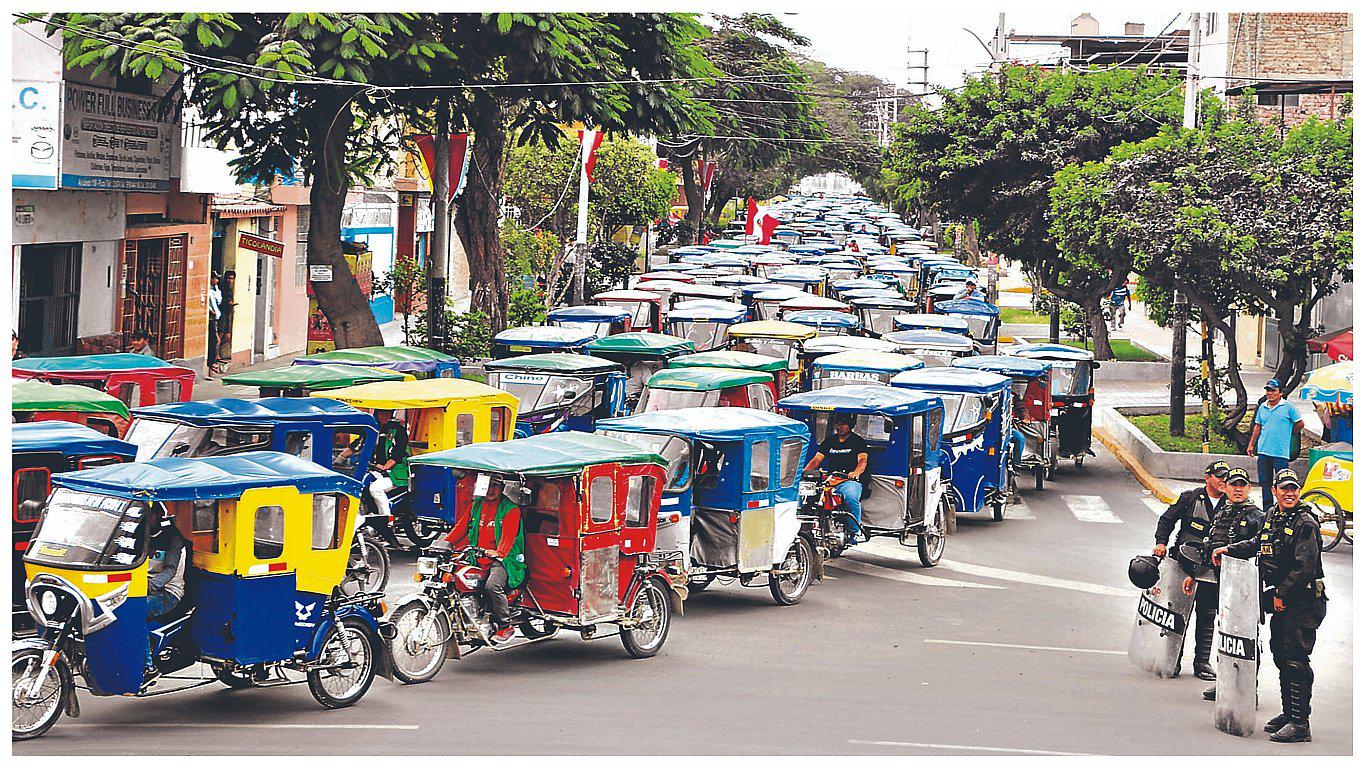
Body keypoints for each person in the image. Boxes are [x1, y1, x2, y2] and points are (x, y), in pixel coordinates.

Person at [1214, 469, 1327, 743]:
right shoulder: (1273, 517)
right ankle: (1289, 713)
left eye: (1294, 490)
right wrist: (1229, 549)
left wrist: (1282, 593)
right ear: (1274, 491)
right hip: (1281, 600)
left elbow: (1305, 566)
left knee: (1295, 658)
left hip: (1302, 601)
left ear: (1299, 493)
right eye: (1284, 489)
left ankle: (1300, 723)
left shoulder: (1305, 523)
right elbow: (1257, 543)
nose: (1289, 494)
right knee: (1280, 654)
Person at [1153, 459, 1230, 679]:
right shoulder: (1190, 498)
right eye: (1220, 476)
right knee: (1177, 613)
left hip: (1210, 570)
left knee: (1207, 614)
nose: (1224, 481)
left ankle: (1202, 663)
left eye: (1226, 477)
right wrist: (1161, 542)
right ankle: (1172, 659)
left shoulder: (1230, 504)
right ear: (1208, 478)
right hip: (1183, 565)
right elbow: (1167, 519)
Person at [1199, 467, 1264, 701]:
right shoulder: (1222, 513)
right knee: (1226, 634)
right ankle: (1225, 682)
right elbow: (1210, 544)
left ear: (1248, 488)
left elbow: (1260, 548)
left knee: (1247, 638)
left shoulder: (1256, 516)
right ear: (1225, 488)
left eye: (1242, 485)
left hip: (1244, 586)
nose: (1238, 489)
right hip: (1221, 582)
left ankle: (1248, 690)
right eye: (1233, 485)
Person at [445, 475, 525, 645]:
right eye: (486, 485)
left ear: (502, 487)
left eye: (495, 485)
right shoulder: (476, 506)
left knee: (492, 586)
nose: (490, 489)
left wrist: (498, 552)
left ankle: (506, 626)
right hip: (478, 557)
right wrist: (442, 545)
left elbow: (508, 538)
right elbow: (460, 530)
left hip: (504, 560)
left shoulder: (511, 509)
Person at [803, 413, 870, 546]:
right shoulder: (830, 441)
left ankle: (854, 532)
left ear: (850, 426)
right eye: (837, 423)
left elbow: (863, 461)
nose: (839, 426)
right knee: (808, 495)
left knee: (850, 497)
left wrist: (856, 472)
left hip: (849, 481)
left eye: (843, 424)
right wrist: (804, 472)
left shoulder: (858, 442)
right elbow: (817, 459)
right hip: (831, 479)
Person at [1249, 379, 1304, 510]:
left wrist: (1290, 433)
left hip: (1280, 453)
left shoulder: (1288, 407)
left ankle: (1283, 508)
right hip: (1263, 451)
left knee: (1283, 484)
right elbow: (1257, 426)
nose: (1270, 393)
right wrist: (1251, 444)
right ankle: (1267, 510)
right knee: (1265, 483)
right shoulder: (1263, 406)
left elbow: (1300, 423)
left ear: (1280, 393)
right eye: (1268, 390)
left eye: (1273, 390)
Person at [144, 508, 187, 675]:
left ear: (158, 516)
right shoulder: (139, 534)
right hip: (141, 586)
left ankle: (148, 667)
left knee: (134, 611)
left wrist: (149, 586)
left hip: (168, 591)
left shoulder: (172, 538)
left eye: (150, 515)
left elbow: (169, 571)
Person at [367, 410, 410, 518]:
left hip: (396, 473)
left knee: (375, 488)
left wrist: (385, 467)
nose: (384, 416)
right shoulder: (373, 429)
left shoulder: (399, 431)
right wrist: (341, 457)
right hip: (377, 471)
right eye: (381, 413)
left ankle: (386, 519)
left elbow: (398, 453)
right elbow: (359, 445)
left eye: (387, 413)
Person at [207, 273, 223, 375]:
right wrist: (210, 311)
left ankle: (212, 363)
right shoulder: (208, 291)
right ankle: (211, 363)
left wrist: (216, 288)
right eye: (215, 279)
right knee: (213, 340)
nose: (217, 281)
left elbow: (219, 300)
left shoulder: (214, 290)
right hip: (211, 318)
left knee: (215, 340)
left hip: (216, 317)